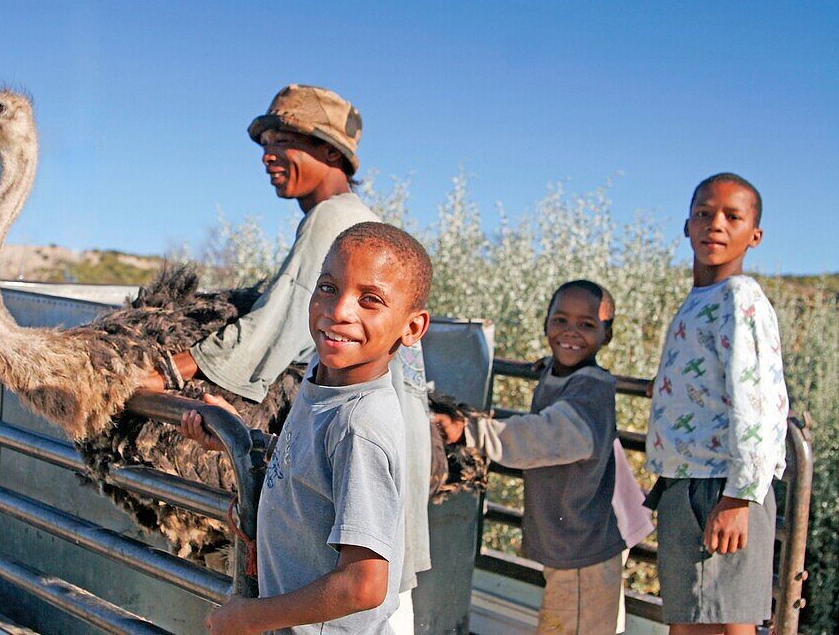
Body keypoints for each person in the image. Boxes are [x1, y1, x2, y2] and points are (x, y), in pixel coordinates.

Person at [139, 84, 433, 623]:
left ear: (330, 154)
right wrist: (241, 436)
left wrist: (163, 374)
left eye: (287, 141)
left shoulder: (335, 223)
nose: (269, 154)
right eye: (265, 142)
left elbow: (269, 329)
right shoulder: (333, 375)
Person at [180, 222, 432, 634]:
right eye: (329, 288)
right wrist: (241, 440)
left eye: (370, 300)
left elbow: (363, 585)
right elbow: (312, 467)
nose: (339, 311)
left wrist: (249, 617)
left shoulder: (360, 424)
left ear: (412, 328)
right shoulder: (324, 375)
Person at [434, 280, 627, 635]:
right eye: (561, 321)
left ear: (607, 335)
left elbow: (545, 436)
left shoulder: (591, 391)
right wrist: (551, 365)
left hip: (585, 552)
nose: (571, 332)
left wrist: (471, 430)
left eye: (587, 325)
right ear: (546, 324)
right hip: (573, 544)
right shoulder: (561, 373)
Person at [644, 173, 788, 635]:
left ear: (755, 235)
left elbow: (759, 403)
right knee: (689, 622)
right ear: (687, 226)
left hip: (722, 486)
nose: (716, 225)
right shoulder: (699, 300)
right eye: (704, 213)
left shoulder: (740, 297)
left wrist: (739, 495)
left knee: (726, 626)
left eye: (732, 216)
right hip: (687, 483)